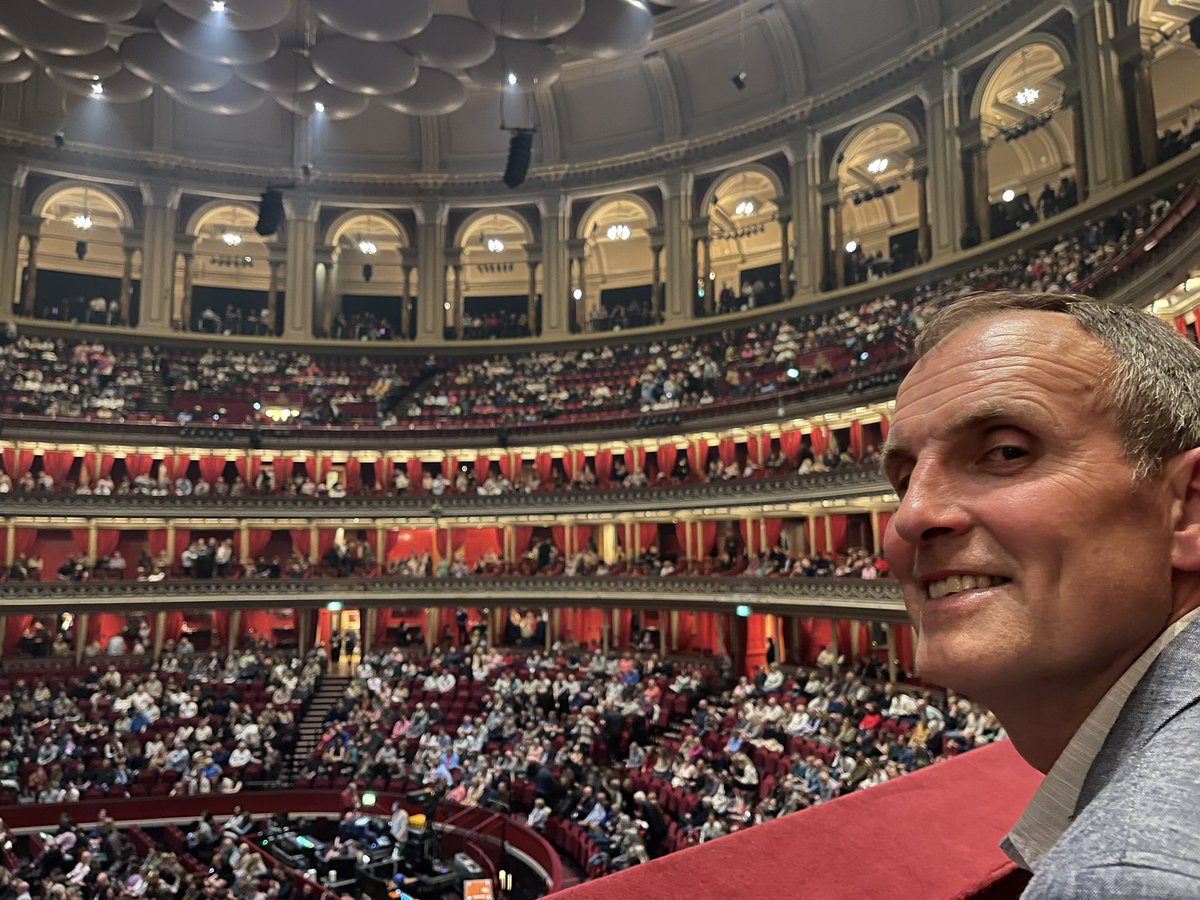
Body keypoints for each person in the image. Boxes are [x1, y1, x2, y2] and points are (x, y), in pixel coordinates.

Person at [881, 291, 1200, 896]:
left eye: (1005, 452)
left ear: (1187, 511)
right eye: (902, 481)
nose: (911, 517)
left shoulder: (1128, 877)